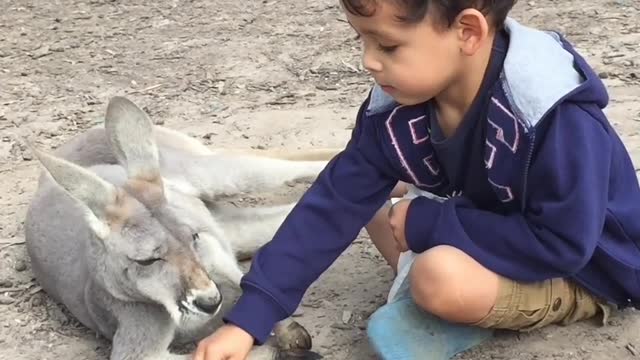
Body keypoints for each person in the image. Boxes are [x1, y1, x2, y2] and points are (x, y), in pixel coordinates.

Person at [194, 0, 640, 359]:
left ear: (467, 31)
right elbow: (333, 200)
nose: (368, 62)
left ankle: (450, 303)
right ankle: (438, 292)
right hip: (495, 219)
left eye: (387, 46)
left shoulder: (552, 115)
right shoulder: (400, 105)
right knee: (362, 192)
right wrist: (249, 319)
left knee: (437, 277)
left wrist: (429, 223)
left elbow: (562, 242)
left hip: (587, 267)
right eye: (361, 41)